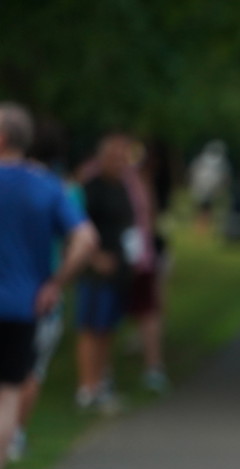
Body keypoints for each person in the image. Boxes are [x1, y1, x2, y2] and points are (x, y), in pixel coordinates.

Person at [0, 102, 98, 469]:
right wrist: (56, 283)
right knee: (7, 396)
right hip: (22, 307)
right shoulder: (47, 185)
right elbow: (86, 239)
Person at [75, 133, 137, 412]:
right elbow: (76, 227)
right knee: (91, 327)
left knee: (107, 328)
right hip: (96, 272)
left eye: (123, 157)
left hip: (119, 268)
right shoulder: (91, 188)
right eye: (114, 157)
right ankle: (87, 387)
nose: (119, 162)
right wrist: (95, 257)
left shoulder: (122, 187)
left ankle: (100, 381)